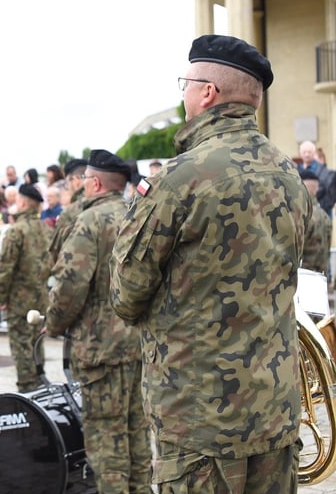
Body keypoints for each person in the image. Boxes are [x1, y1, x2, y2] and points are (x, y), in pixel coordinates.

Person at [110, 34, 312, 494]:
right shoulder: (288, 174)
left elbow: (126, 295)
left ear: (207, 92)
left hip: (199, 423)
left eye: (186, 83)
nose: (183, 94)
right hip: (274, 414)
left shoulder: (181, 177)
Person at [46, 149, 150, 494]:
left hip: (100, 349)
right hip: (140, 345)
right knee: (137, 435)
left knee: (107, 442)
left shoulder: (89, 221)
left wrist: (55, 323)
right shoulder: (139, 214)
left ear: (93, 183)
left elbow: (69, 285)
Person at [0, 183, 50, 392]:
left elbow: (6, 268)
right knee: (37, 344)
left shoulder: (15, 231)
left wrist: (0, 297)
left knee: (21, 346)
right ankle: (40, 385)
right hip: (40, 297)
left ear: (24, 202)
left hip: (19, 300)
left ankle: (28, 391)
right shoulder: (45, 229)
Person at [299, 168, 332, 275]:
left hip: (303, 278)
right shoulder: (325, 215)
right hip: (320, 278)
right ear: (317, 189)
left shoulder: (300, 215)